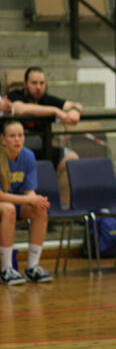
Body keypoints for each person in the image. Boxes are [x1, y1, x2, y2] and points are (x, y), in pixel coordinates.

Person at [7, 67, 82, 209]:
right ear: (25, 84)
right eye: (34, 83)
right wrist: (55, 111)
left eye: (42, 83)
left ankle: (61, 209)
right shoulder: (15, 95)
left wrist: (76, 111)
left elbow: (75, 105)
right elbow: (20, 109)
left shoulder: (47, 99)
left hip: (44, 147)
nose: (38, 87)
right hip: (19, 152)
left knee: (71, 159)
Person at [0, 120, 53, 285]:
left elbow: (30, 191)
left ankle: (32, 268)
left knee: (39, 210)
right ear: (3, 139)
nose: (17, 140)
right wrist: (28, 199)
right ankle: (6, 269)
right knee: (9, 209)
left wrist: (37, 200)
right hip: (4, 202)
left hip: (14, 201)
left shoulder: (28, 156)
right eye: (12, 136)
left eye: (20, 135)